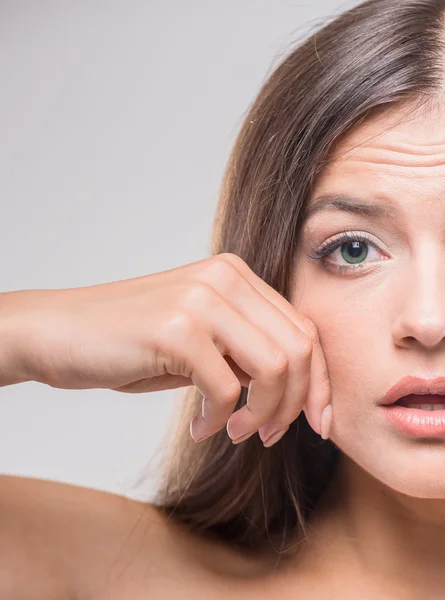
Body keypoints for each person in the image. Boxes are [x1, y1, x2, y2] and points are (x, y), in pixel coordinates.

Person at [2, 0, 445, 597]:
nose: (428, 320)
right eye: (354, 250)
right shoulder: (103, 574)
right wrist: (23, 330)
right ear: (272, 285)